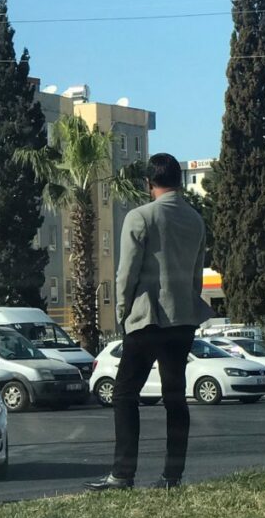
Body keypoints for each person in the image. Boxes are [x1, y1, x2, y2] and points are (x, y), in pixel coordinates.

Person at [86, 153, 214, 491]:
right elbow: (196, 276)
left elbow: (126, 272)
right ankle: (172, 476)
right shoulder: (195, 220)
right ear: (180, 180)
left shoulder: (139, 216)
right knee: (175, 397)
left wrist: (122, 314)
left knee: (125, 394)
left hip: (147, 317)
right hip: (183, 318)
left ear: (148, 183)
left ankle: (122, 473)